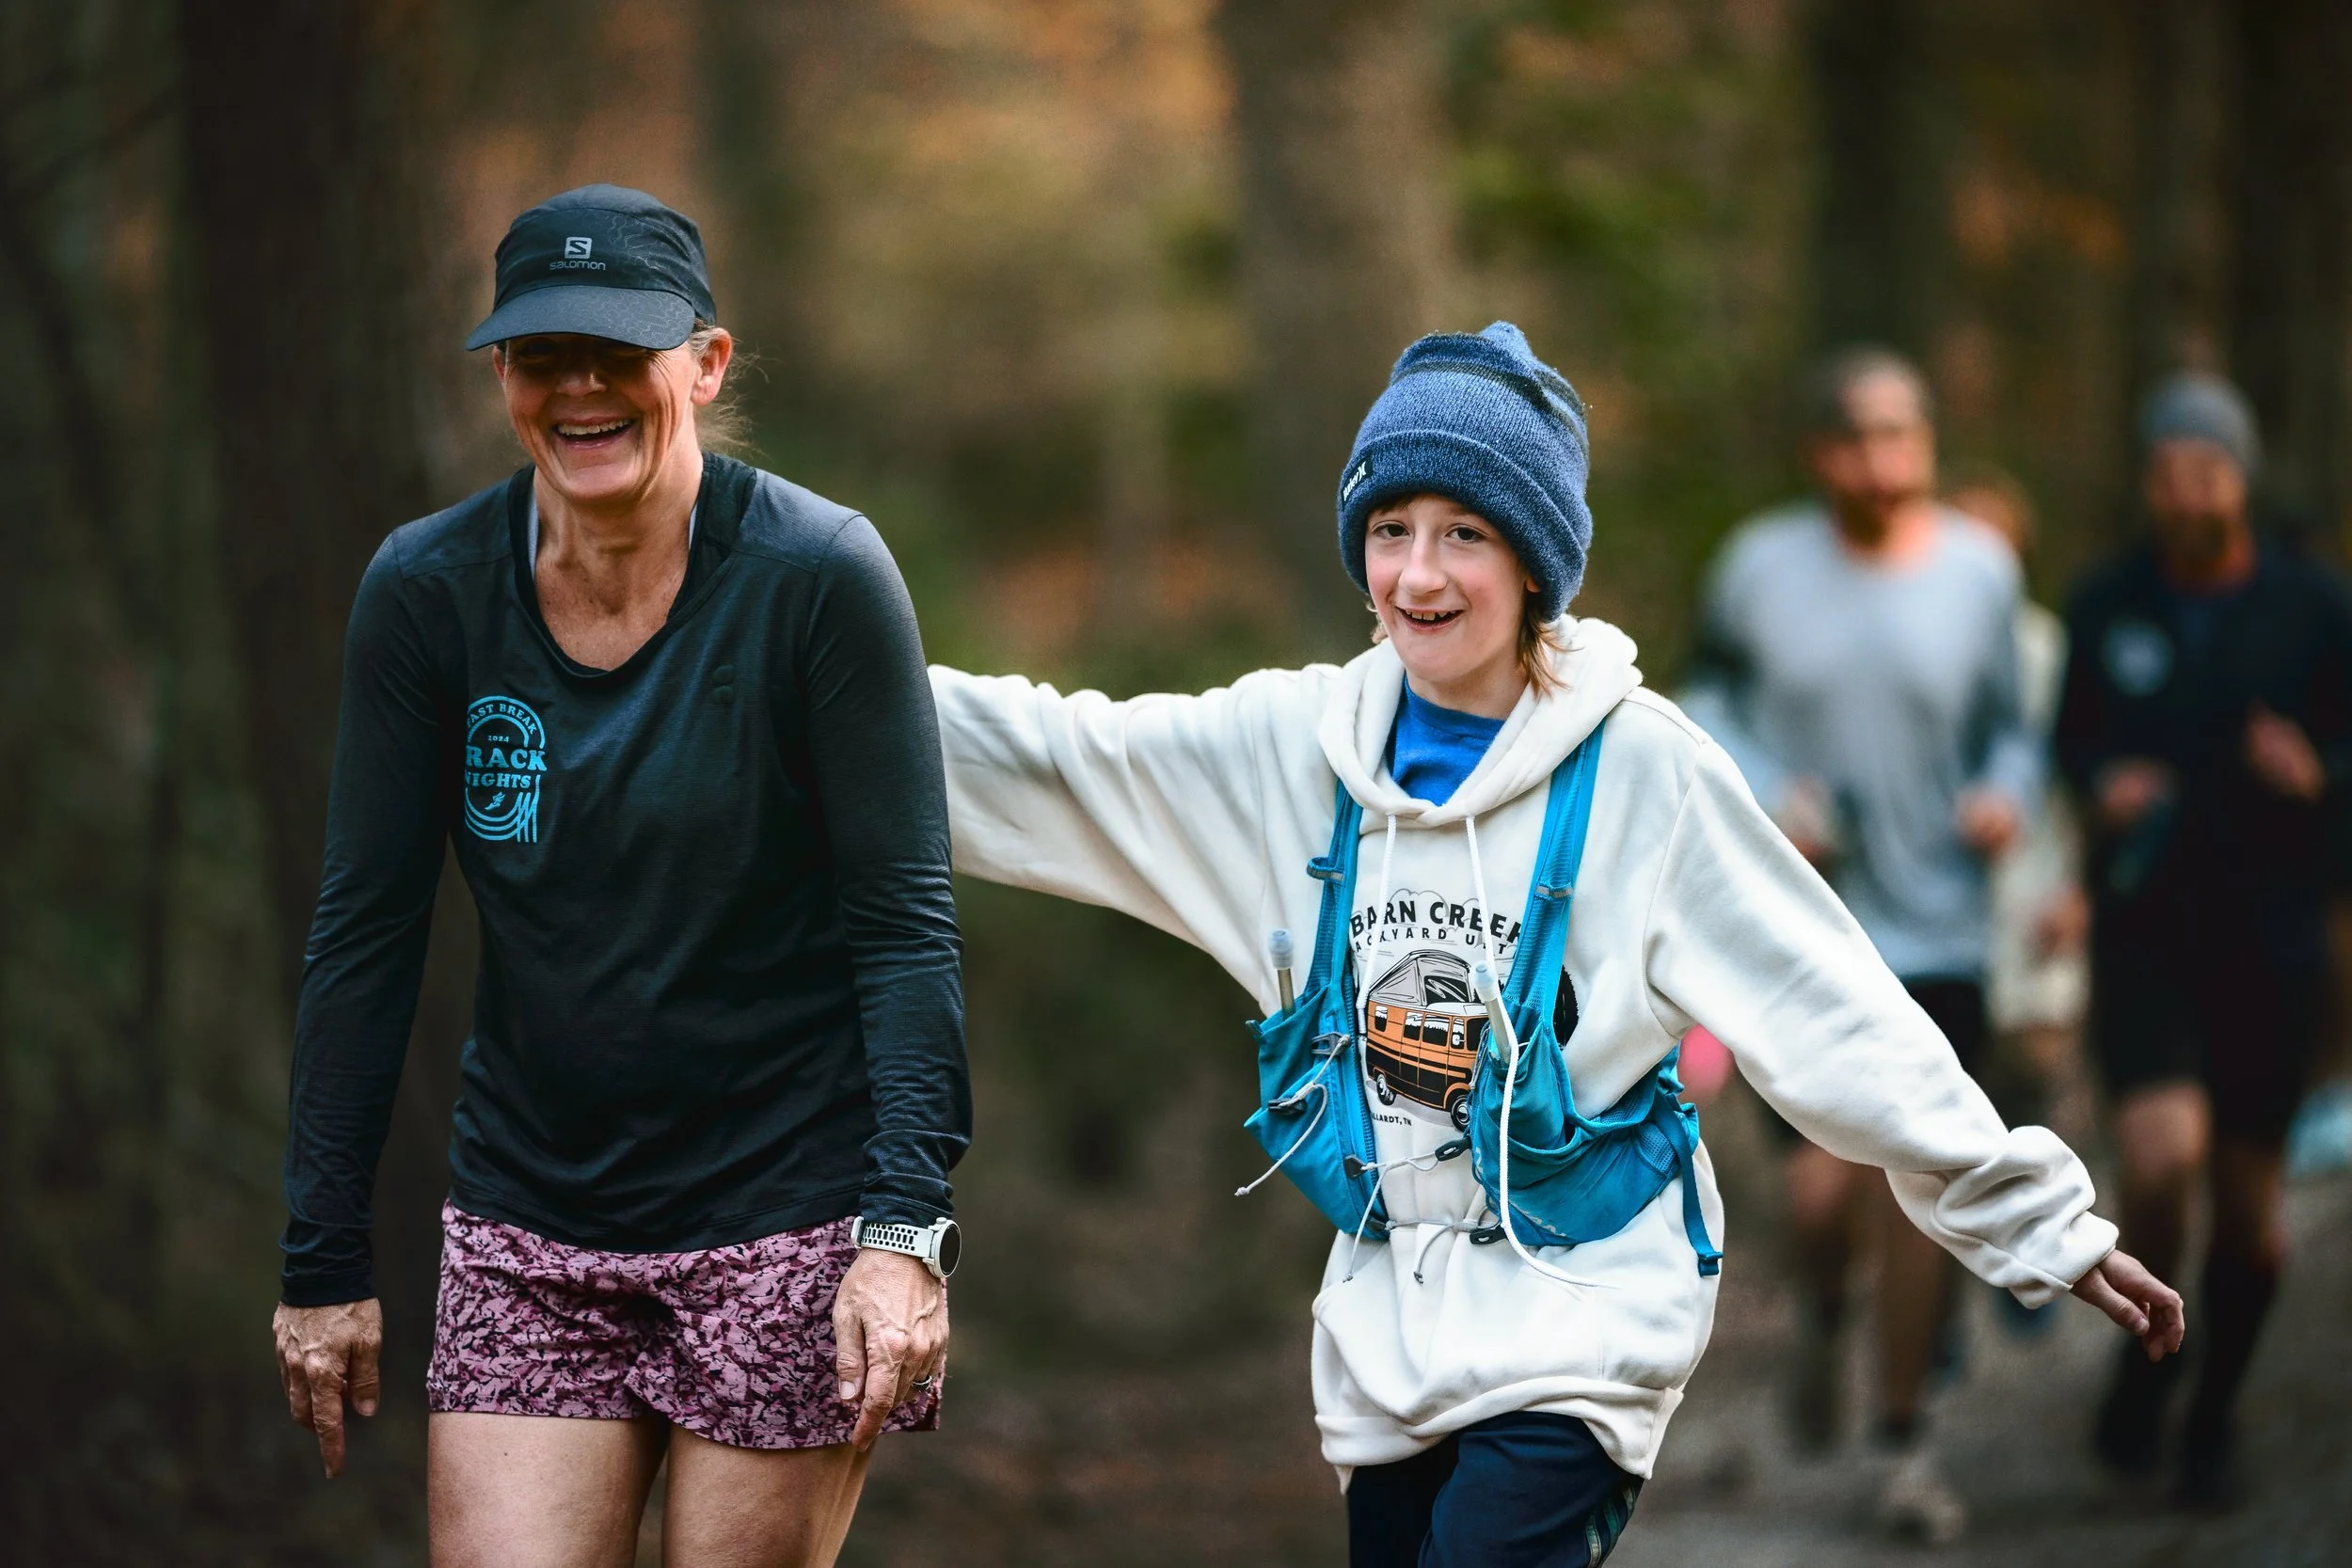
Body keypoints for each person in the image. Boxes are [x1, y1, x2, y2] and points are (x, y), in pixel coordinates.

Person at [929, 323, 2181, 1566]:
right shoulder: (1290, 750)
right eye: (1390, 529)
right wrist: (797, 655)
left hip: (1588, 1305)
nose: (1418, 574)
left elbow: (1826, 1000)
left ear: (1535, 561)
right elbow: (1052, 761)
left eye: (1463, 533)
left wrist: (2039, 1218)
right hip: (1391, 1315)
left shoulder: (1642, 767)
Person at [269, 185, 970, 1567]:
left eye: (618, 351)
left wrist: (905, 1231)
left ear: (704, 364)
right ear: (501, 379)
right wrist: (321, 1257)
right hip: (533, 1222)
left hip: (785, 1212)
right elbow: (366, 933)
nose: (580, 387)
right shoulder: (427, 590)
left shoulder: (817, 577)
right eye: (541, 357)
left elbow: (903, 927)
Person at [1679, 347, 2038, 1541]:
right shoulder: (1759, 568)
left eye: (1903, 436)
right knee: (1823, 1197)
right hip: (1795, 925)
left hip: (1939, 929)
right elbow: (1704, 698)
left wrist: (2000, 790)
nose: (1885, 463)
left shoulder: (1980, 570)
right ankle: (1824, 1311)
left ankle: (1908, 1445)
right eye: (1861, 440)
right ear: (1820, 454)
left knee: (1915, 1190)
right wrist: (1767, 782)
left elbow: (2012, 726)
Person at [2058, 372, 2352, 1506]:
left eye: (2207, 468)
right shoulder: (2105, 603)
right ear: (2147, 481)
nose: (2187, 491)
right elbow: (2069, 743)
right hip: (2146, 937)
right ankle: (2144, 1368)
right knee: (2160, 1163)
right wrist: (2103, 785)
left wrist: (2318, 771)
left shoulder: (2313, 605)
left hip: (2271, 945)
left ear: (2240, 475)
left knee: (2250, 1214)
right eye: (2168, 470)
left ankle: (2212, 1412)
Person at [1944, 464, 2093, 1154]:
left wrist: (2080, 892)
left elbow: (2084, 782)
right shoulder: (1910, 650)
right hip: (1933, 925)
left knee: (2034, 1116)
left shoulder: (2053, 652)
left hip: (2036, 904)